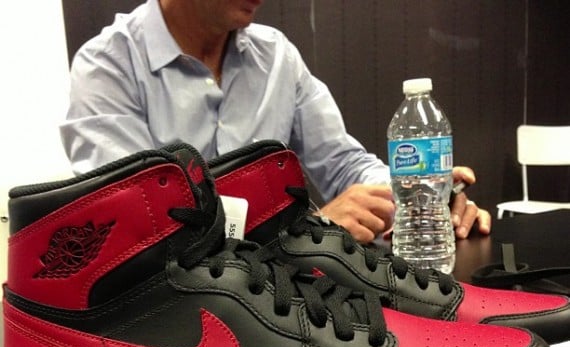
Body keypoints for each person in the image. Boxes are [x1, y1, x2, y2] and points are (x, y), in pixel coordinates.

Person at [60, 0, 491, 243]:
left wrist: (420, 194)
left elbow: (343, 164)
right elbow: (143, 226)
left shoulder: (277, 56)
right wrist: (306, 231)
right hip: (169, 317)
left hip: (281, 299)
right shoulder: (108, 66)